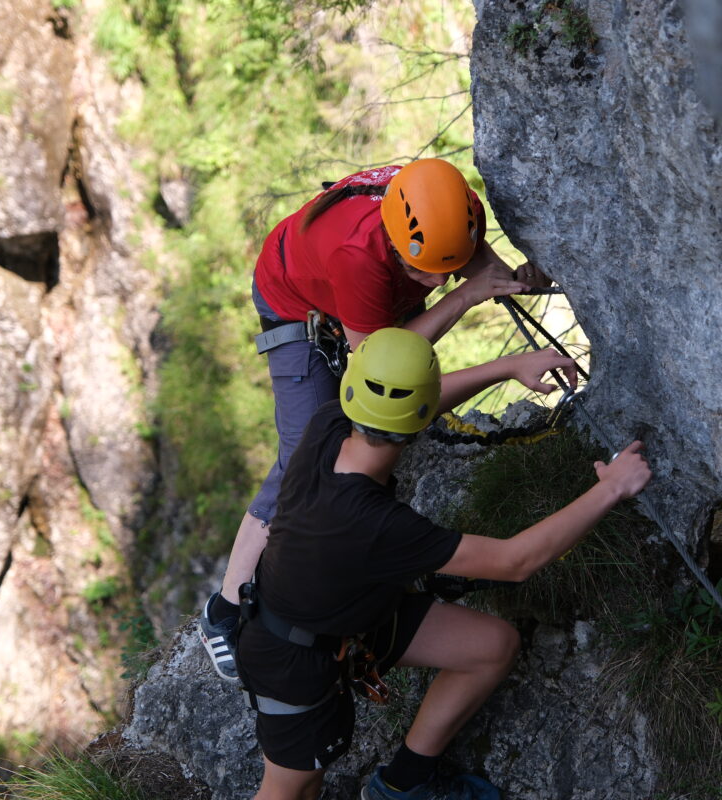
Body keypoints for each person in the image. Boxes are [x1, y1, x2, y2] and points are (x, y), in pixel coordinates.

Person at [234, 328, 652, 800]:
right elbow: (516, 561)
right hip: (294, 661)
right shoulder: (375, 524)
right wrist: (611, 488)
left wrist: (507, 366)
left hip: (338, 617)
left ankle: (402, 784)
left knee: (491, 645)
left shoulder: (328, 423)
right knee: (293, 793)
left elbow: (407, 407)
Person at [200, 158, 550, 680]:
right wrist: (463, 295)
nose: (434, 279)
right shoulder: (357, 254)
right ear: (392, 241)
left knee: (374, 434)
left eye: (443, 266)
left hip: (366, 297)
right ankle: (225, 610)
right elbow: (378, 365)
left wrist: (516, 280)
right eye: (422, 270)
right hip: (295, 304)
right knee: (307, 452)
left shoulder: (449, 209)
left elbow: (478, 266)